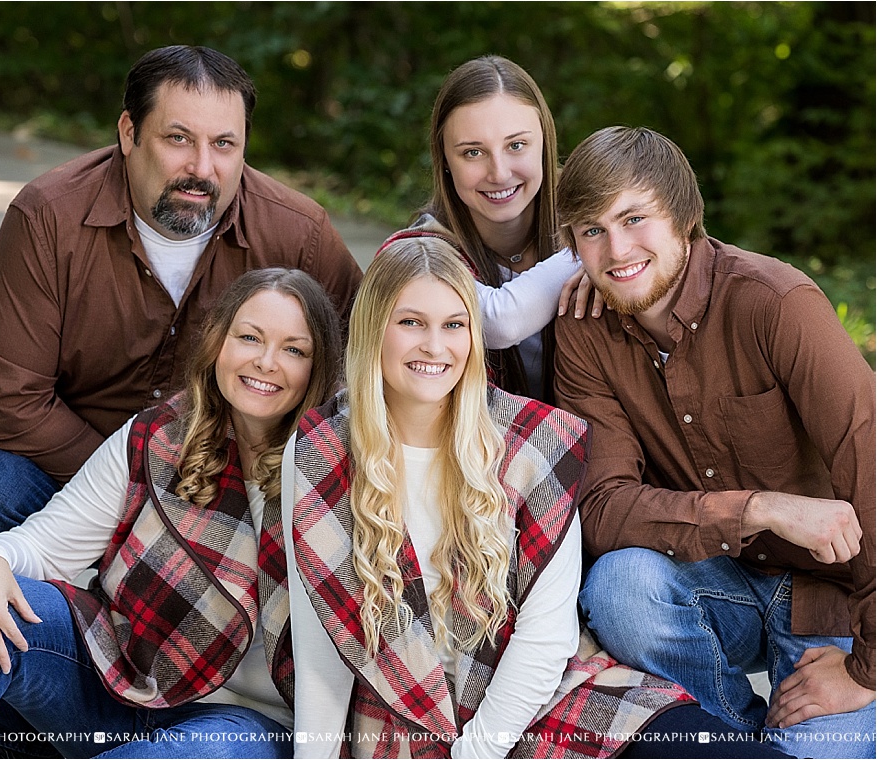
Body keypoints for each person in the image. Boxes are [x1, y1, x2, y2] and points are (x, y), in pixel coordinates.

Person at [281, 237, 788, 759]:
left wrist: (476, 753)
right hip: (405, 711)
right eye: (411, 322)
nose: (435, 346)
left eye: (455, 325)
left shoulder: (534, 440)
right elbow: (322, 643)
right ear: (373, 330)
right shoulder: (322, 448)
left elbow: (546, 639)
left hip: (541, 697)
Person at [0, 44, 363, 606]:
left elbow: (366, 363)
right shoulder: (47, 216)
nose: (202, 168)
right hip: (70, 465)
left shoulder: (298, 233)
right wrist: (136, 487)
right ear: (129, 133)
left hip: (225, 490)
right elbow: (8, 401)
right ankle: (10, 680)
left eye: (224, 145)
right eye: (178, 138)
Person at [552, 126, 876, 759]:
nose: (616, 250)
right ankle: (737, 739)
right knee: (621, 585)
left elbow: (875, 470)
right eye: (591, 230)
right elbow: (604, 509)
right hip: (714, 583)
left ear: (686, 215)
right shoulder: (586, 331)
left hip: (830, 602)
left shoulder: (776, 303)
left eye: (634, 218)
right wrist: (756, 508)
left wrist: (867, 672)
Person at [0, 268, 342, 758]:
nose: (266, 361)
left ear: (319, 369)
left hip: (241, 723)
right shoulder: (159, 437)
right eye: (249, 337)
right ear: (218, 345)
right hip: (118, 678)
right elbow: (40, 546)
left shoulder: (335, 472)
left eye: (294, 349)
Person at [381, 55, 603, 403]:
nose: (498, 172)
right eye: (473, 152)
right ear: (445, 161)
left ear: (544, 144)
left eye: (516, 145)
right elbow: (499, 322)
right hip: (471, 448)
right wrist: (591, 255)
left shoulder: (600, 222)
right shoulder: (417, 252)